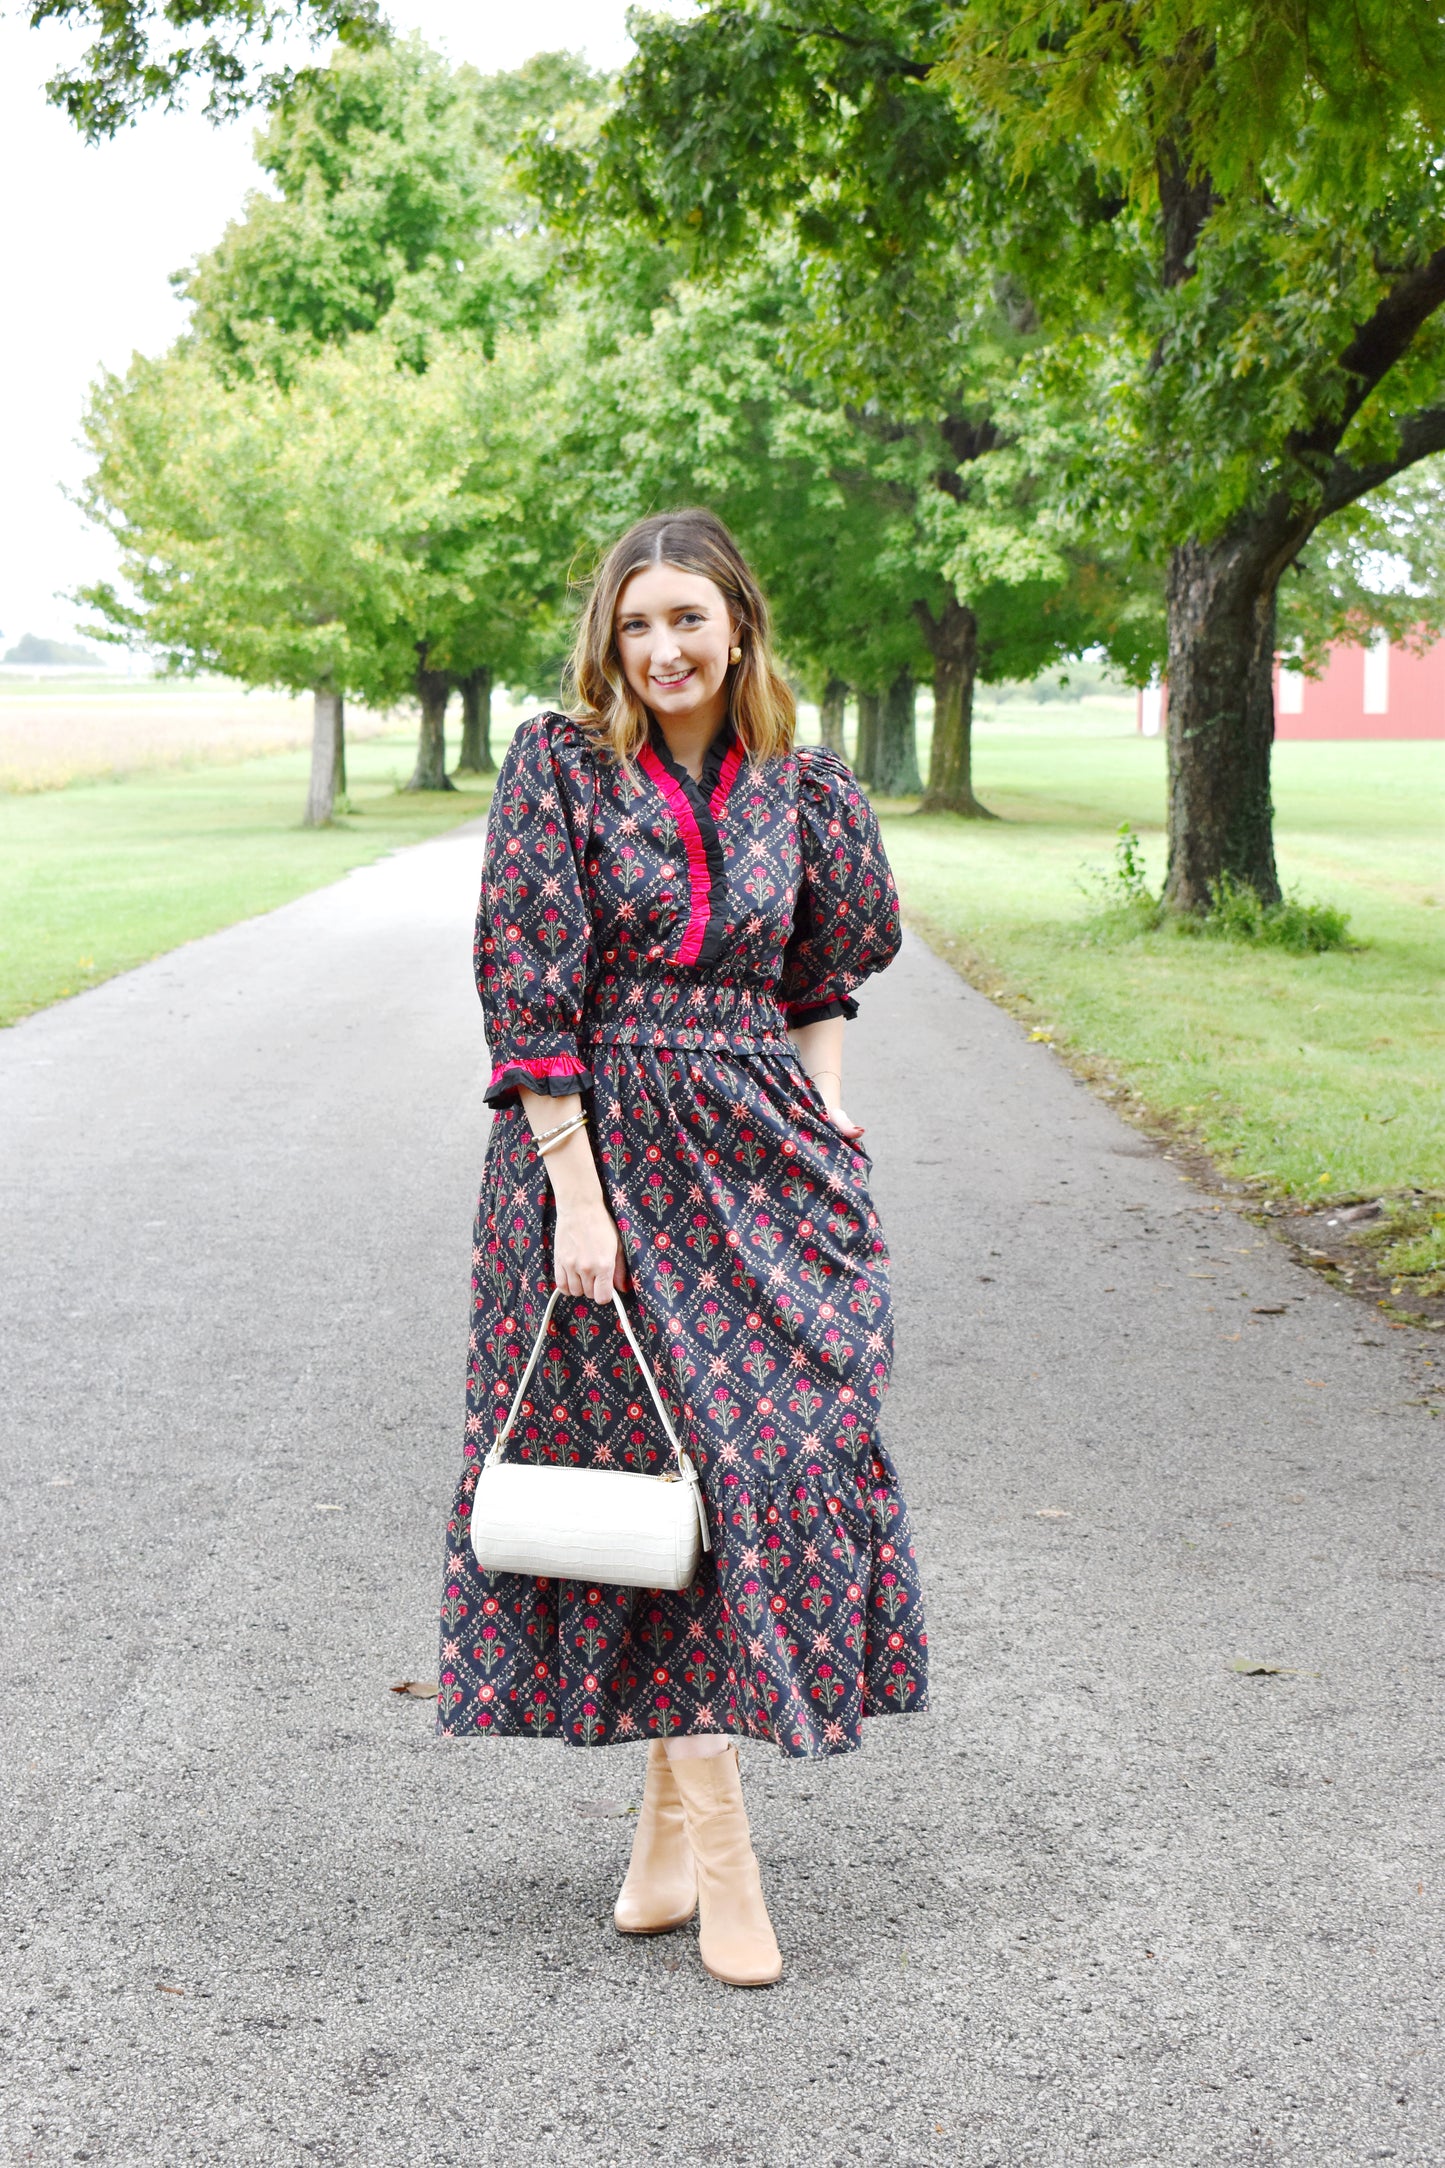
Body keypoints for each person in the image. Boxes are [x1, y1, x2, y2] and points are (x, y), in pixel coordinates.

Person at [437, 508, 929, 1988]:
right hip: (600, 1157)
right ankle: (726, 1863)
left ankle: (661, 1844)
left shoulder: (806, 786)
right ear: (610, 635)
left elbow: (822, 973)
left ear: (739, 627)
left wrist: (829, 1119)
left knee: (780, 1456)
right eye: (636, 623)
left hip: (764, 1143)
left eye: (687, 622)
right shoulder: (560, 768)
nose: (661, 650)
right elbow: (527, 999)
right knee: (661, 1477)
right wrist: (575, 1203)